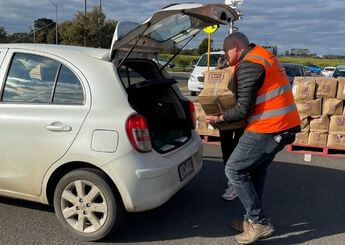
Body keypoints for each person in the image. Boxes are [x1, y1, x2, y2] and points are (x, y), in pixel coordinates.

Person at [206, 32, 301, 244]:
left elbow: (242, 109)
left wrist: (219, 118)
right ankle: (251, 219)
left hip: (269, 127)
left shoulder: (250, 63)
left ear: (236, 46)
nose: (225, 56)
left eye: (225, 51)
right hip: (282, 125)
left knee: (234, 169)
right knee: (256, 170)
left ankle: (258, 222)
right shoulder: (263, 55)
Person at [216, 56, 244, 201]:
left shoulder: (241, 76)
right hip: (225, 119)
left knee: (238, 149)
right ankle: (231, 180)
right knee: (227, 148)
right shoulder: (217, 79)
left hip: (239, 117)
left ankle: (236, 183)